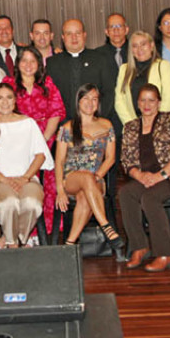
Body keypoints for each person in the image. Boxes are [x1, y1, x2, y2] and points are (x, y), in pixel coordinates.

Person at [120, 84, 170, 272]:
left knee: (149, 198)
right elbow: (126, 160)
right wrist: (140, 175)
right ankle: (140, 246)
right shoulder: (130, 127)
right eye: (143, 100)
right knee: (125, 192)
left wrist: (159, 176)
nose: (147, 104)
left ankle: (166, 253)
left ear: (158, 103)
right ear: (137, 103)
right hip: (145, 178)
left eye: (151, 100)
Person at [0, 83, 55, 248]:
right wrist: (4, 179)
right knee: (9, 202)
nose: (5, 102)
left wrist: (25, 178)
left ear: (15, 101)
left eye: (9, 98)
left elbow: (40, 155)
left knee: (32, 203)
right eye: (0, 98)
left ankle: (8, 240)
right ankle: (14, 245)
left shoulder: (28, 123)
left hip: (27, 178)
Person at [3, 46, 66, 236]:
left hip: (46, 138)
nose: (28, 65)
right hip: (16, 143)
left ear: (39, 64)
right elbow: (2, 113)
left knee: (48, 185)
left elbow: (56, 111)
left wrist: (44, 139)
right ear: (17, 64)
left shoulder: (47, 82)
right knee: (22, 185)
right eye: (24, 61)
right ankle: (24, 233)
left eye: (33, 61)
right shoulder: (8, 83)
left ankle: (47, 231)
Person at [54, 84, 122, 253]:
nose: (90, 103)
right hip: (71, 179)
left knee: (85, 196)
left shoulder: (107, 125)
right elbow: (59, 161)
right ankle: (106, 225)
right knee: (85, 177)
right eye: (86, 99)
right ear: (78, 102)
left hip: (97, 178)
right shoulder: (67, 128)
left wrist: (98, 175)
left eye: (94, 99)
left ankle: (69, 244)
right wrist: (60, 190)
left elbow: (111, 158)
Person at [46, 19, 117, 122]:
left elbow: (109, 93)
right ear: (63, 37)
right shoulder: (53, 63)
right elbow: (49, 98)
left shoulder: (100, 59)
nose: (74, 37)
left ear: (84, 35)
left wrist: (96, 119)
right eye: (69, 33)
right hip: (62, 125)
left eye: (78, 33)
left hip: (95, 123)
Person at [114, 31, 170, 125]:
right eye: (135, 46)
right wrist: (132, 124)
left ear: (151, 45)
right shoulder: (124, 69)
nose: (140, 49)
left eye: (143, 44)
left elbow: (169, 98)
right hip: (134, 127)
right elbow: (119, 101)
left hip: (161, 126)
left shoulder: (163, 66)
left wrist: (153, 123)